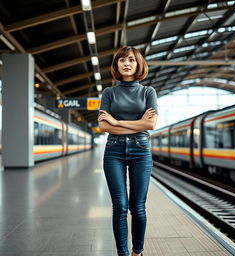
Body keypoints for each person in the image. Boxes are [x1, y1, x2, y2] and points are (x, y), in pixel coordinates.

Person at [98, 46, 158, 256]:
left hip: (141, 150)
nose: (126, 63)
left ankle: (137, 252)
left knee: (138, 207)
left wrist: (116, 121)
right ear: (116, 65)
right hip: (113, 150)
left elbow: (151, 125)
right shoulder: (109, 93)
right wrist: (137, 122)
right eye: (122, 60)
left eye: (131, 60)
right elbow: (103, 127)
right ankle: (123, 254)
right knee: (120, 206)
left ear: (138, 64)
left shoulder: (148, 92)